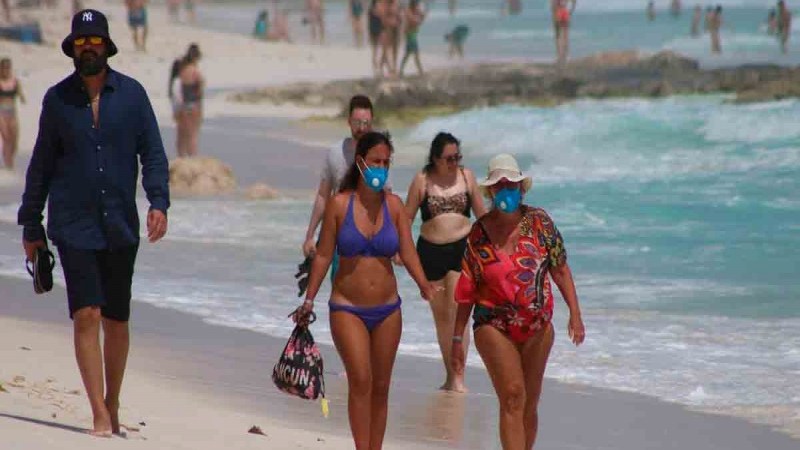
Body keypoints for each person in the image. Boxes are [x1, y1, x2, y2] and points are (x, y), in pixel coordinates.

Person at [17, 9, 169, 437]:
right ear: (72, 48)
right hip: (73, 223)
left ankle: (113, 401)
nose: (87, 48)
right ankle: (98, 412)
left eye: (94, 41)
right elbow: (41, 165)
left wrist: (159, 202)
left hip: (120, 223)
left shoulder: (133, 96)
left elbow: (153, 154)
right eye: (80, 42)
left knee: (116, 319)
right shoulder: (57, 101)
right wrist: (31, 224)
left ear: (106, 46)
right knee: (86, 313)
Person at [294, 131, 435, 450]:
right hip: (347, 308)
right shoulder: (339, 205)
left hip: (388, 309)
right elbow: (325, 255)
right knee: (360, 379)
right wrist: (310, 298)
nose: (381, 169)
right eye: (376, 162)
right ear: (360, 163)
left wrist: (424, 284)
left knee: (381, 386)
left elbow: (408, 250)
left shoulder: (394, 206)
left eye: (386, 163)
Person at [450, 153, 584, 450]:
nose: (506, 190)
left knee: (529, 402)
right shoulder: (478, 234)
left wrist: (575, 314)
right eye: (499, 186)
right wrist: (458, 337)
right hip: (493, 325)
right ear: (490, 191)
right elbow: (467, 290)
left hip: (538, 326)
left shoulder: (540, 223)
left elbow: (560, 269)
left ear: (521, 188)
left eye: (511, 185)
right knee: (512, 395)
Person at [404, 132, 486, 392]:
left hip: (462, 249)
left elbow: (482, 216)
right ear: (435, 158)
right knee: (441, 317)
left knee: (458, 311)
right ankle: (450, 375)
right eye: (449, 159)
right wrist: (399, 250)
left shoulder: (466, 176)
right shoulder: (422, 180)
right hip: (430, 252)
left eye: (457, 157)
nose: (454, 163)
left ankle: (459, 376)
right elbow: (405, 219)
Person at [303, 95, 376, 263]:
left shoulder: (379, 155)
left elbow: (388, 198)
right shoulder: (336, 153)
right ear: (349, 121)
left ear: (372, 122)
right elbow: (323, 196)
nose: (362, 128)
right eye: (357, 122)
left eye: (366, 123)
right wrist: (310, 236)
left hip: (372, 237)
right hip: (341, 236)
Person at [174, 43, 203, 157]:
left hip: (182, 106)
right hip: (193, 105)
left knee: (181, 134)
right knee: (193, 134)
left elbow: (177, 90)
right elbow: (199, 92)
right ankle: (192, 158)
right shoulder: (196, 72)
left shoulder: (182, 71)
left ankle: (181, 157)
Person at [0, 58, 24, 170]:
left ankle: (10, 157)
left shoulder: (15, 81)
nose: (5, 70)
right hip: (1, 113)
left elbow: (20, 94)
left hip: (12, 113)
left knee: (14, 138)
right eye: (3, 68)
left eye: (7, 67)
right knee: (6, 138)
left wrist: (22, 97)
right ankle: (8, 163)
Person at [399, 0, 426, 77]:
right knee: (415, 53)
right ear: (414, 4)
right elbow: (414, 21)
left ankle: (401, 70)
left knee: (407, 54)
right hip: (410, 35)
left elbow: (421, 19)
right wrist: (420, 18)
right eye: (417, 4)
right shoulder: (408, 11)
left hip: (413, 34)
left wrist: (421, 15)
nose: (417, 6)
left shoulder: (414, 11)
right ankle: (420, 71)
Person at [551, 0, 576, 70]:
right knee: (565, 37)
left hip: (558, 12)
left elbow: (553, 5)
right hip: (565, 11)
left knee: (558, 37)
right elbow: (574, 2)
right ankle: (565, 57)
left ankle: (559, 57)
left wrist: (554, 13)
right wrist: (570, 11)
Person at [368, 0, 383, 74]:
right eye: (378, 2)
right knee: (375, 49)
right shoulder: (373, 10)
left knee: (377, 49)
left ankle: (377, 66)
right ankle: (376, 66)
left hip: (377, 30)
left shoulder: (372, 9)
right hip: (375, 31)